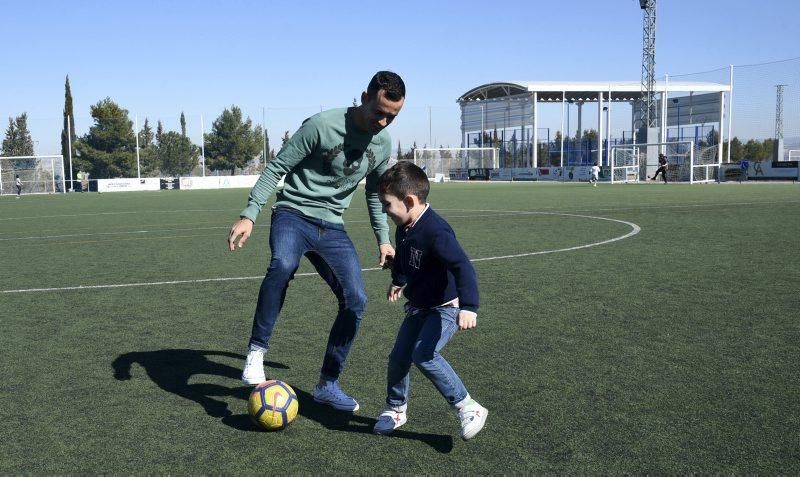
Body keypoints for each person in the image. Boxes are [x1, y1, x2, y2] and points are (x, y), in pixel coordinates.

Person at [227, 71, 405, 412]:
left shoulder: (382, 144)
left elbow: (374, 193)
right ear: (364, 97)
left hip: (332, 227)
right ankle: (256, 353)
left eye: (391, 116)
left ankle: (327, 385)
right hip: (293, 212)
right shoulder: (321, 126)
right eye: (378, 112)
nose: (383, 121)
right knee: (282, 265)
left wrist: (384, 239)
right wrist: (250, 213)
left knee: (356, 300)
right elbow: (276, 167)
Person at [372, 161, 488, 440]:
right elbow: (407, 259)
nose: (386, 211)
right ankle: (396, 409)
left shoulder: (436, 231)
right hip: (418, 306)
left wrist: (469, 307)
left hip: (445, 308)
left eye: (387, 205)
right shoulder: (405, 226)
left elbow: (462, 266)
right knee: (399, 358)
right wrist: (398, 279)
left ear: (409, 201)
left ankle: (468, 406)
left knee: (424, 354)